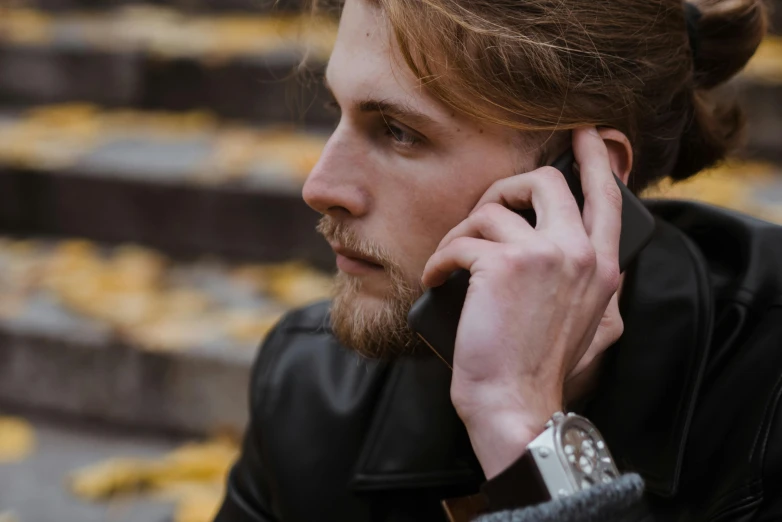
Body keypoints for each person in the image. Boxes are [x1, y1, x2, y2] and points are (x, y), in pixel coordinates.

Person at [215, 0, 781, 520]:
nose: (320, 186)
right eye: (337, 110)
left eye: (398, 131)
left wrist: (520, 426)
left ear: (587, 180)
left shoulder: (767, 393)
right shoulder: (307, 387)